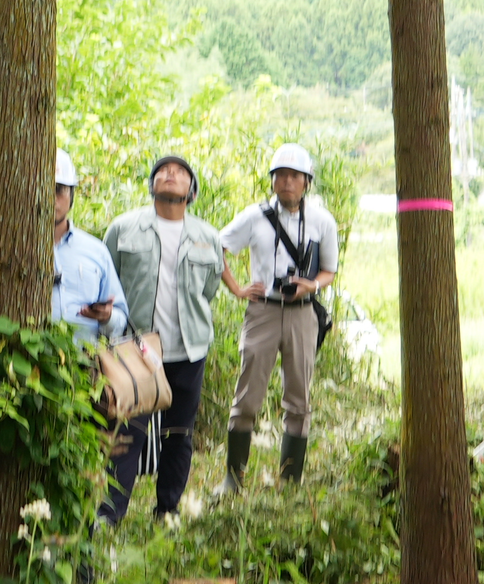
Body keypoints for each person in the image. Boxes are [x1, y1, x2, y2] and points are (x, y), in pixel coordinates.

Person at [102, 153, 219, 524]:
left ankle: (167, 510)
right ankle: (109, 515)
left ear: (192, 191)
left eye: (180, 172)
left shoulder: (207, 237)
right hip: (136, 350)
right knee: (126, 436)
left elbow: (209, 289)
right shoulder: (123, 228)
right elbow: (110, 281)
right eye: (163, 171)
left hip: (189, 350)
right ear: (152, 185)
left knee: (178, 434)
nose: (170, 174)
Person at [221, 143, 336, 491]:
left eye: (295, 176)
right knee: (247, 397)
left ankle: (290, 484)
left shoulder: (321, 220)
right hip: (263, 311)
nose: (287, 182)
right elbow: (218, 247)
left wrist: (311, 286)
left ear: (306, 183)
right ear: (272, 181)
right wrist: (238, 288)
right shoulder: (254, 217)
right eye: (281, 176)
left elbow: (330, 270)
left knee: (300, 399)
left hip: (303, 314)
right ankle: (233, 480)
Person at [47, 149, 123, 343]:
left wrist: (107, 316)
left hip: (85, 364)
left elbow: (121, 320)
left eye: (58, 189)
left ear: (71, 195)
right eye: (43, 187)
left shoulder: (95, 251)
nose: (50, 197)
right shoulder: (8, 247)